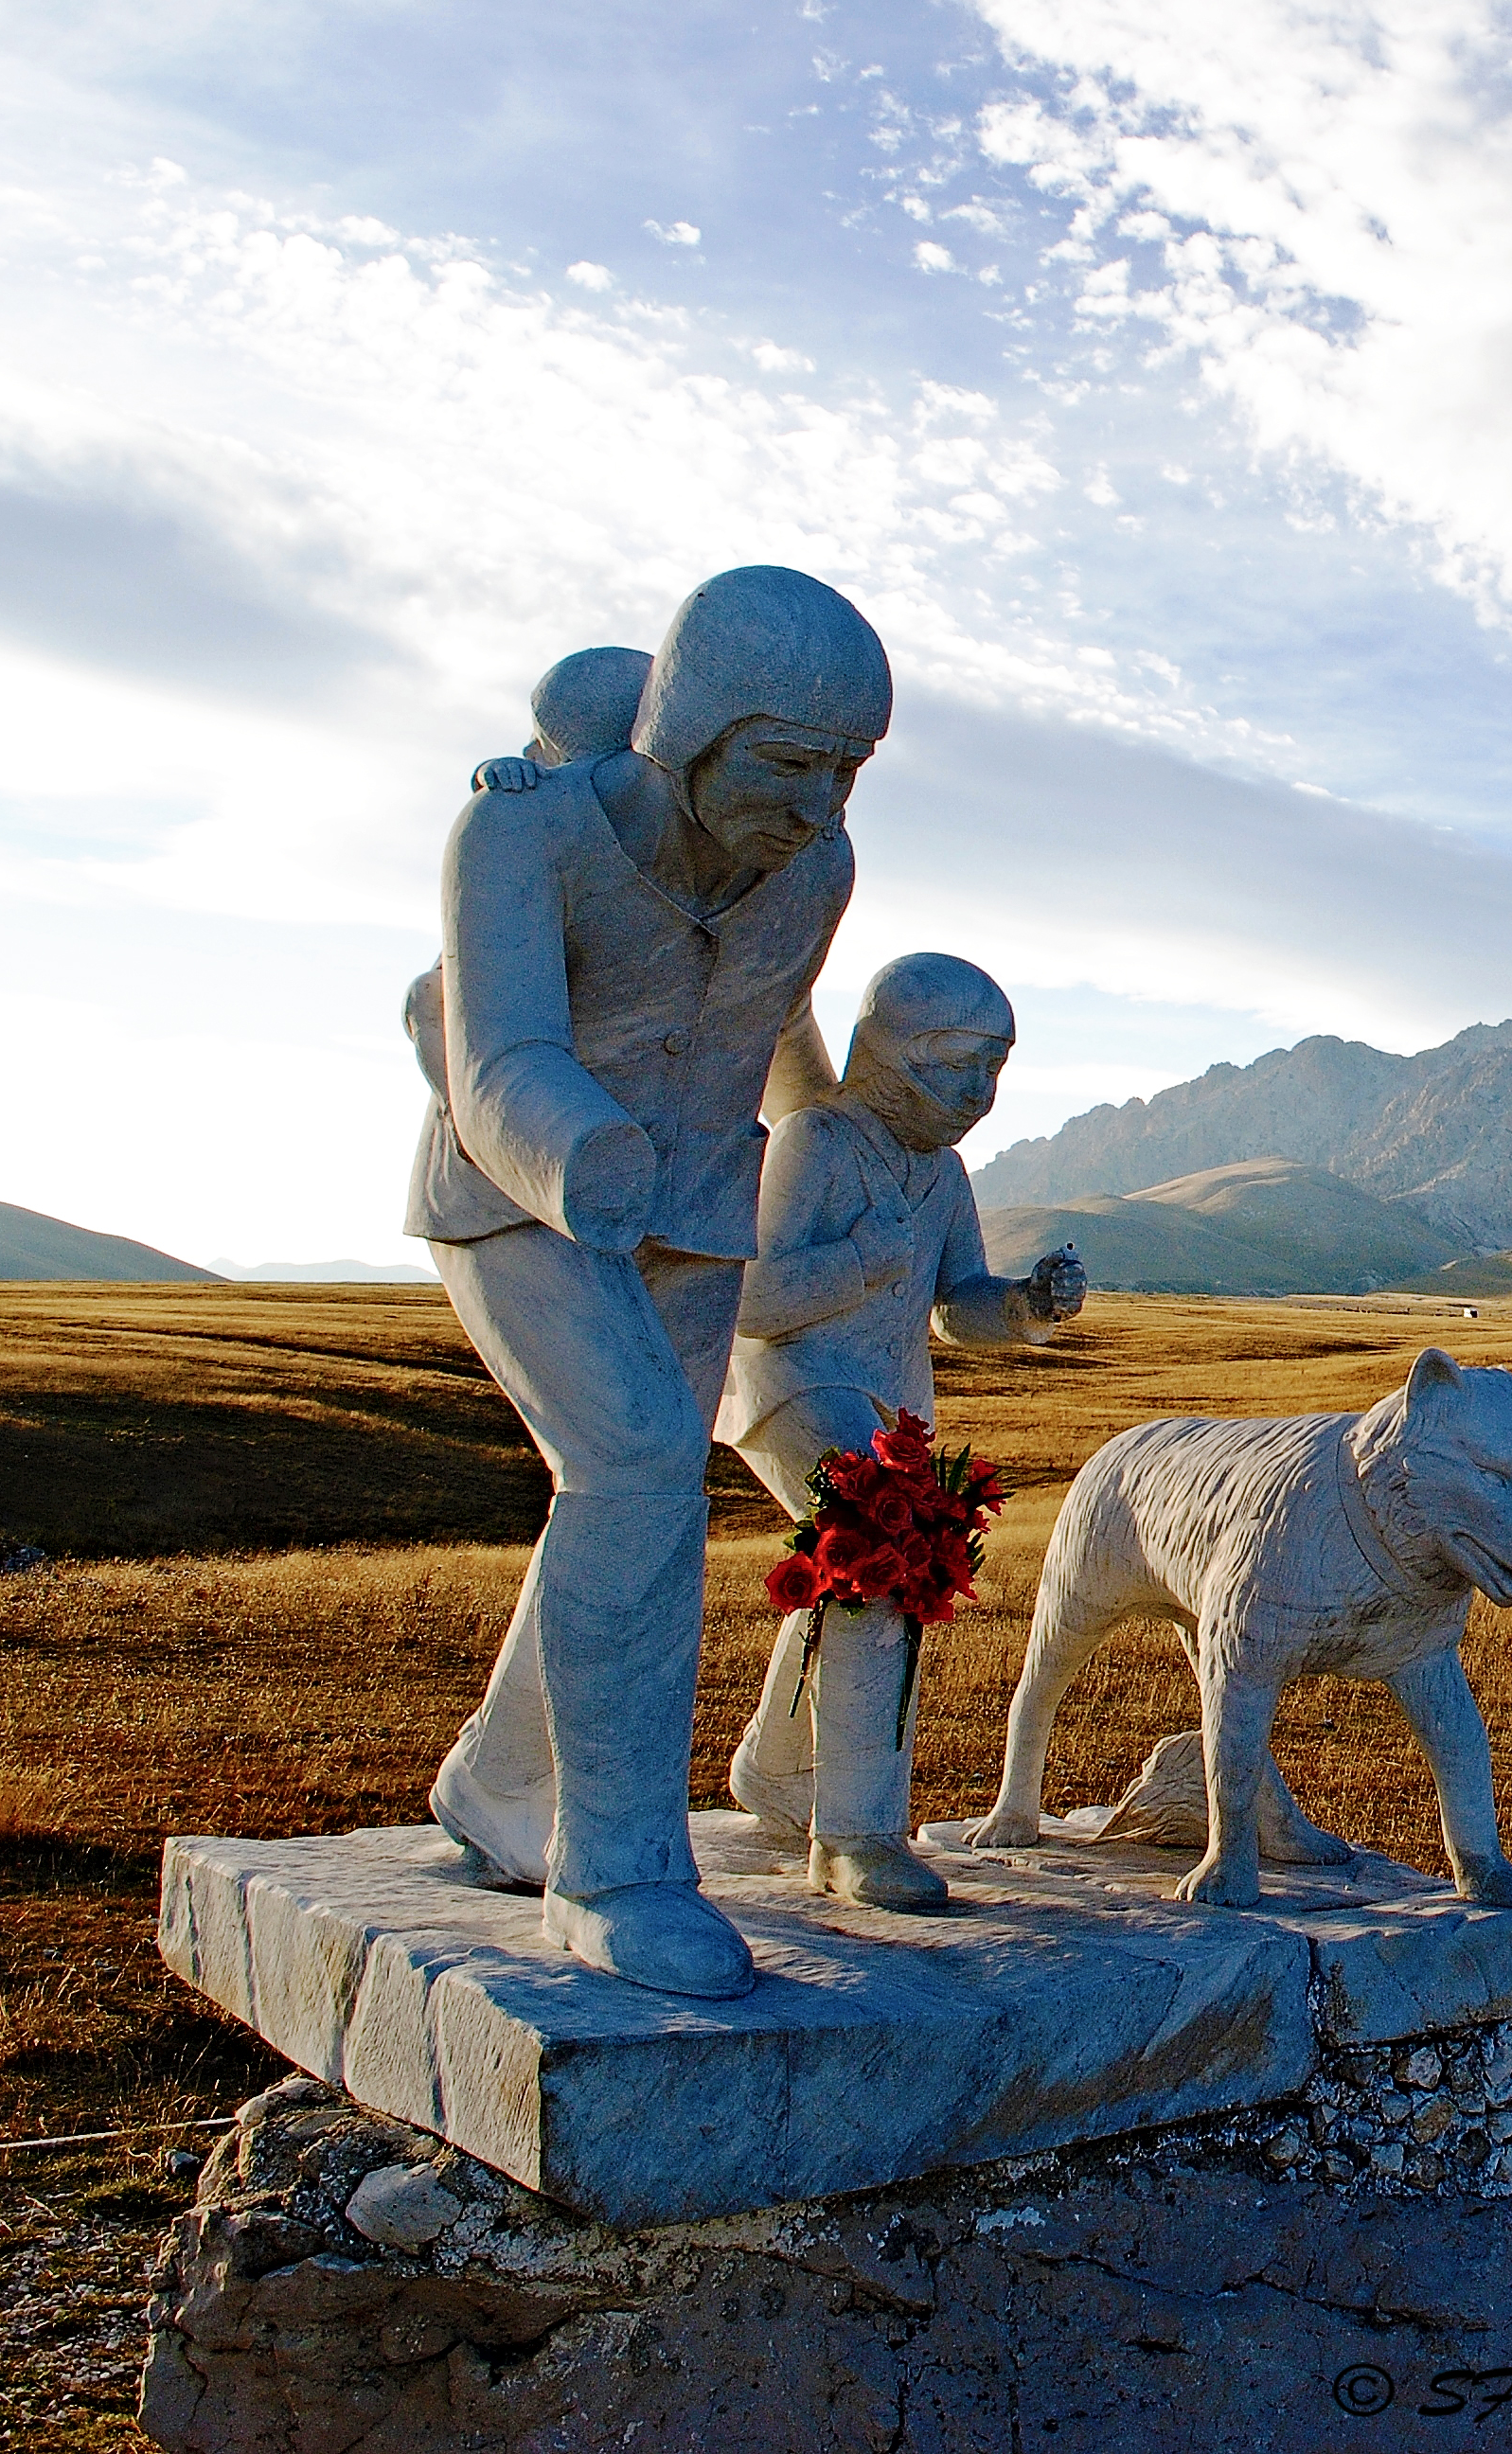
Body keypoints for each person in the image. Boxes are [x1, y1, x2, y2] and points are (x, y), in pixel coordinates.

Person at [407, 565, 884, 1999]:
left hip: (695, 1222)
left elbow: (769, 1017)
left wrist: (846, 1124)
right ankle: (614, 1873)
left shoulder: (819, 871)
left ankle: (498, 1785)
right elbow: (497, 1060)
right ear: (692, 730)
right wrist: (577, 1158)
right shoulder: (517, 838)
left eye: (848, 775)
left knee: (621, 1491)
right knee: (628, 1470)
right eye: (791, 765)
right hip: (519, 1198)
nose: (818, 808)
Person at [718, 953, 1084, 1911]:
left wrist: (1025, 1307)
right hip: (794, 1384)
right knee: (883, 1557)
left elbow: (953, 1304)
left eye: (990, 1072)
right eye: (956, 1066)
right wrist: (864, 1257)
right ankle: (856, 1836)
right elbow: (753, 1302)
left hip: (886, 1403)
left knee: (847, 1573)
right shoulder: (815, 1140)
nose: (976, 1093)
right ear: (889, 1053)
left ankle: (775, 1769)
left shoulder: (941, 1170)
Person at [406, 647, 655, 1096]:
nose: (528, 752)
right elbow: (494, 784)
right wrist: (492, 772)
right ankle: (461, 1109)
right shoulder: (537, 803)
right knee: (428, 997)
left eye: (540, 745)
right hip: (511, 980)